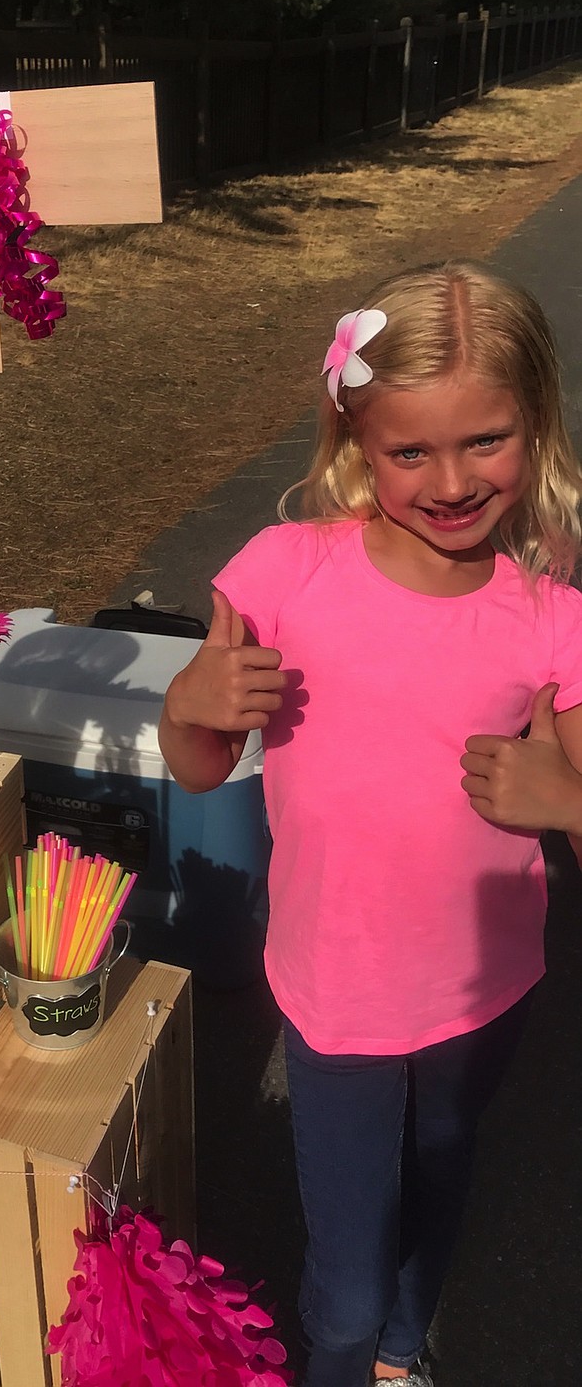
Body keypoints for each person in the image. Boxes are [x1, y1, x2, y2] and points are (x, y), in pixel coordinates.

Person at [158, 260, 582, 1387]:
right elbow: (201, 766)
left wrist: (569, 801)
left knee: (441, 1174)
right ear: (360, 440)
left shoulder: (554, 622)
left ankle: (403, 1353)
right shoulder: (283, 572)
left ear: (536, 427)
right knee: (342, 1291)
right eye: (411, 452)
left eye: (486, 440)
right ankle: (353, 1356)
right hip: (336, 991)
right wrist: (182, 709)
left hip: (481, 994)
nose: (450, 481)